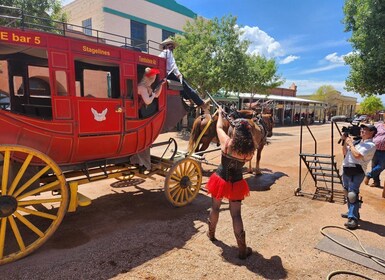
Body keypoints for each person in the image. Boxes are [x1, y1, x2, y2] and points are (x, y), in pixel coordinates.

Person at [206, 107, 255, 259]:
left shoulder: (227, 144)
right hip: (237, 182)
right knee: (236, 215)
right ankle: (242, 249)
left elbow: (219, 127)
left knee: (215, 207)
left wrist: (221, 114)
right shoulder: (250, 152)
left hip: (220, 179)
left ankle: (211, 234)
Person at [340, 124, 376, 229]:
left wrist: (350, 144)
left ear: (372, 133)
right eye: (362, 129)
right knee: (347, 192)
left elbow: (358, 155)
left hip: (356, 170)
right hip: (347, 168)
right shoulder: (358, 142)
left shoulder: (370, 145)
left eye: (365, 130)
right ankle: (351, 212)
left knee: (352, 194)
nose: (362, 131)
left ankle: (353, 219)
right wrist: (344, 141)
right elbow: (344, 152)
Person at [158, 37, 209, 111]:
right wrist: (178, 74)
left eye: (173, 47)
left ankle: (190, 99)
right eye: (171, 46)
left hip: (164, 75)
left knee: (182, 86)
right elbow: (173, 65)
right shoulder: (168, 52)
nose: (172, 48)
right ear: (166, 46)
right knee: (185, 85)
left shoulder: (161, 54)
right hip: (168, 75)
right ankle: (201, 103)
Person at [130, 67, 166, 171]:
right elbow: (148, 101)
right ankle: (142, 162)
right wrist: (153, 94)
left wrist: (161, 85)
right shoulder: (142, 87)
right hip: (141, 114)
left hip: (141, 113)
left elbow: (156, 95)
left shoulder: (145, 87)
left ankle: (140, 162)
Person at [363, 121, 385, 189]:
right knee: (374, 166)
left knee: (381, 166)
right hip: (374, 149)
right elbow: (371, 133)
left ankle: (369, 175)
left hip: (384, 151)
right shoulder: (378, 125)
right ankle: (376, 182)